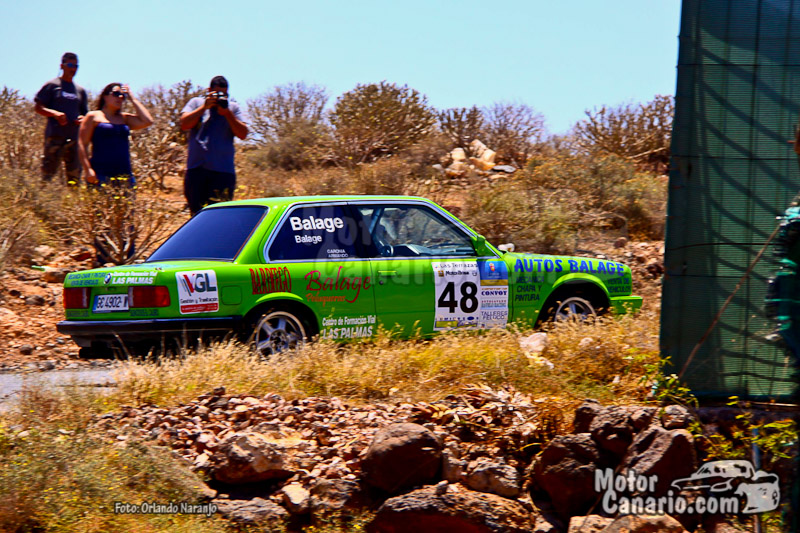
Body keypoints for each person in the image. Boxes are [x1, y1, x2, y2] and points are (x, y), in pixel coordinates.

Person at [78, 83, 153, 265]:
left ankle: (127, 258)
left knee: (127, 218)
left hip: (124, 175)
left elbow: (147, 121)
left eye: (122, 95)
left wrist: (133, 98)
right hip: (101, 174)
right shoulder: (93, 116)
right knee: (102, 217)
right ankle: (103, 260)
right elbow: (81, 144)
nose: (120, 98)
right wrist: (88, 169)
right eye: (116, 94)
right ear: (105, 96)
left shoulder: (124, 119)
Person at [180, 75, 248, 215]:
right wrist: (204, 107)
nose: (220, 98)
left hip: (223, 172)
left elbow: (243, 134)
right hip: (196, 169)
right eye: (217, 94)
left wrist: (227, 114)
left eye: (224, 94)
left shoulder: (232, 108)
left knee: (220, 215)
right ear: (209, 91)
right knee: (196, 215)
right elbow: (185, 124)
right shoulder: (196, 103)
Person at [34, 52, 89, 184]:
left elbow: (86, 115)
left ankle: (72, 198)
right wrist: (55, 114)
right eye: (70, 65)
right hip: (55, 137)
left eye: (75, 66)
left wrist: (82, 119)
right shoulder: (52, 85)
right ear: (62, 66)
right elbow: (38, 107)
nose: (73, 69)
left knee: (74, 179)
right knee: (47, 176)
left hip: (74, 139)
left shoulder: (80, 90)